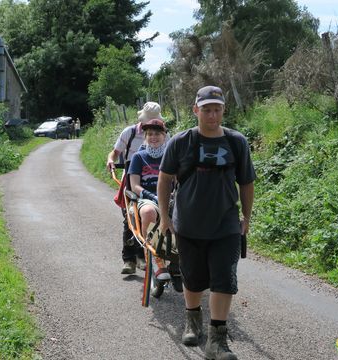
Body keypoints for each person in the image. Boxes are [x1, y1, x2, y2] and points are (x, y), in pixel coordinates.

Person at [157, 86, 255, 360]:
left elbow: (246, 183)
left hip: (225, 226)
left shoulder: (237, 142)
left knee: (225, 279)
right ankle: (192, 320)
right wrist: (165, 217)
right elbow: (165, 180)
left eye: (217, 109)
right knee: (193, 278)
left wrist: (246, 218)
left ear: (224, 109)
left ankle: (217, 341)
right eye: (207, 109)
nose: (212, 115)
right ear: (195, 110)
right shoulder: (181, 141)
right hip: (187, 225)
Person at [106, 101, 162, 274]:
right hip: (132, 178)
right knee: (130, 218)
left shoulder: (162, 133)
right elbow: (115, 153)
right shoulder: (129, 133)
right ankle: (129, 259)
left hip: (158, 179)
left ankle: (146, 255)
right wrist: (111, 160)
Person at [127, 117, 171, 280]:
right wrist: (152, 196)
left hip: (168, 198)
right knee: (148, 212)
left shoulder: (170, 156)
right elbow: (135, 186)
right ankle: (154, 258)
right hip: (146, 198)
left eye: (157, 134)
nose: (153, 137)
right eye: (149, 134)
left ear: (164, 136)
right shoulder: (139, 157)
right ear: (145, 137)